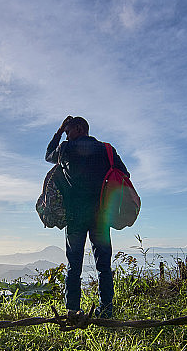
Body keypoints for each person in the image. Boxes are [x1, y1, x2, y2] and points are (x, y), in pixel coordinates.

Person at [45, 115, 129, 319]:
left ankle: (73, 310)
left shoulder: (65, 148)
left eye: (68, 131)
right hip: (101, 215)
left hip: (75, 216)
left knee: (74, 265)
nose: (67, 135)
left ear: (79, 129)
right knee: (104, 266)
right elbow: (124, 174)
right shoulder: (107, 150)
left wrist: (58, 131)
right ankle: (106, 310)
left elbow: (48, 155)